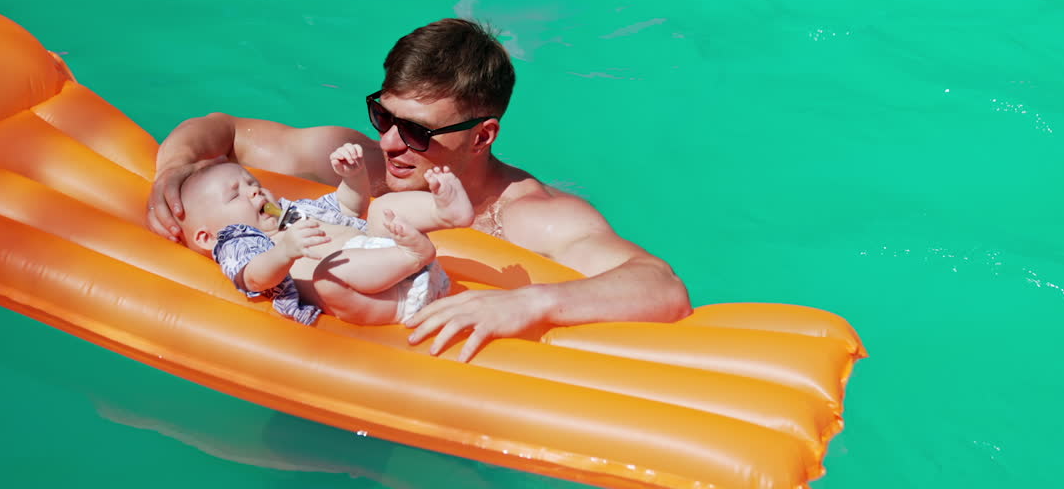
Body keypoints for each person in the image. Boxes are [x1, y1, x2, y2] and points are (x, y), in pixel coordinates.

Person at [149, 18, 692, 361]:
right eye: (383, 114)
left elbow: (662, 287)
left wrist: (530, 303)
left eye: (416, 132)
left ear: (482, 136)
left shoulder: (527, 217)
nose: (388, 142)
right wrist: (173, 169)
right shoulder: (368, 165)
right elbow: (224, 130)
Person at [177, 143, 473, 325]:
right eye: (235, 195)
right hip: (394, 298)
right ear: (207, 237)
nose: (254, 190)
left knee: (381, 207)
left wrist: (353, 176)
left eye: (251, 182)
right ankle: (411, 255)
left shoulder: (288, 214)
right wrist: (284, 252)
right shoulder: (240, 240)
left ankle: (445, 212)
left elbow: (348, 206)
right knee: (327, 275)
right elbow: (254, 277)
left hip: (399, 265)